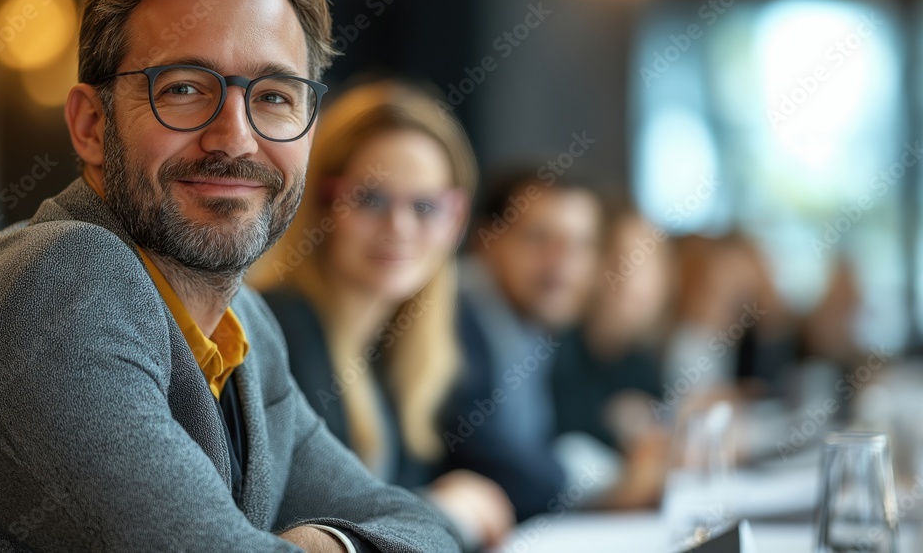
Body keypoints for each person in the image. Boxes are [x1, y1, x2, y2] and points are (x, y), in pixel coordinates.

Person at [0, 0, 459, 552]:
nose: (235, 139)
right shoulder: (59, 285)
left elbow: (426, 530)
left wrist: (324, 544)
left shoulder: (246, 325)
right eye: (182, 89)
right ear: (91, 125)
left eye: (274, 97)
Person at [250, 81, 515, 550]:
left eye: (425, 206)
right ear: (320, 203)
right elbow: (308, 526)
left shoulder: (399, 347)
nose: (399, 228)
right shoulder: (283, 324)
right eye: (370, 199)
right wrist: (447, 510)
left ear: (455, 219)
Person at [440, 170, 622, 521]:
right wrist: (611, 486)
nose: (561, 263)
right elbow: (486, 460)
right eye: (539, 238)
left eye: (581, 244)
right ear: (486, 241)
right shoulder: (453, 315)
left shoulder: (536, 324)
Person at [552, 208, 672, 509]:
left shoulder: (642, 359)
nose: (637, 281)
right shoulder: (556, 347)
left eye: (649, 265)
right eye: (625, 263)